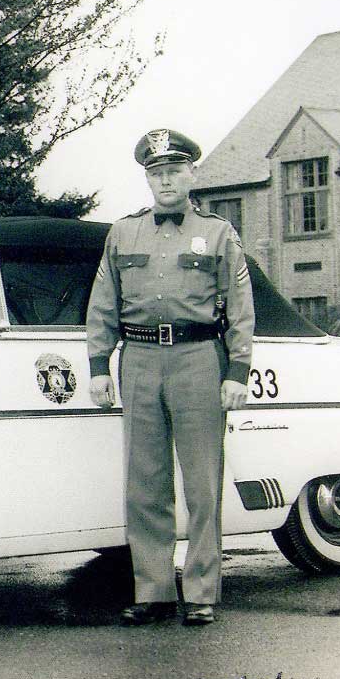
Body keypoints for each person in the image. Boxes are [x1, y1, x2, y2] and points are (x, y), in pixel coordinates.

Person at [86, 128, 254, 626]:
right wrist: (99, 366)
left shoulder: (219, 233)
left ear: (191, 175)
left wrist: (238, 370)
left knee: (202, 483)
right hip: (137, 359)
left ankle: (202, 590)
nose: (165, 181)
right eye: (156, 173)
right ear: (147, 178)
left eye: (174, 171)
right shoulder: (123, 233)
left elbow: (241, 307)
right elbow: (103, 303)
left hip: (198, 358)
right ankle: (153, 590)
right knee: (144, 484)